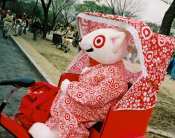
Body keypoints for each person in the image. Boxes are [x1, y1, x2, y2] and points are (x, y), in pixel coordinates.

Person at [28, 28, 138, 138]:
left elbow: (95, 98)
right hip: (89, 100)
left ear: (116, 43)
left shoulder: (116, 77)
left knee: (67, 103)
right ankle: (54, 129)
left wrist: (70, 87)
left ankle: (68, 134)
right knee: (63, 98)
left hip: (96, 108)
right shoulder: (108, 65)